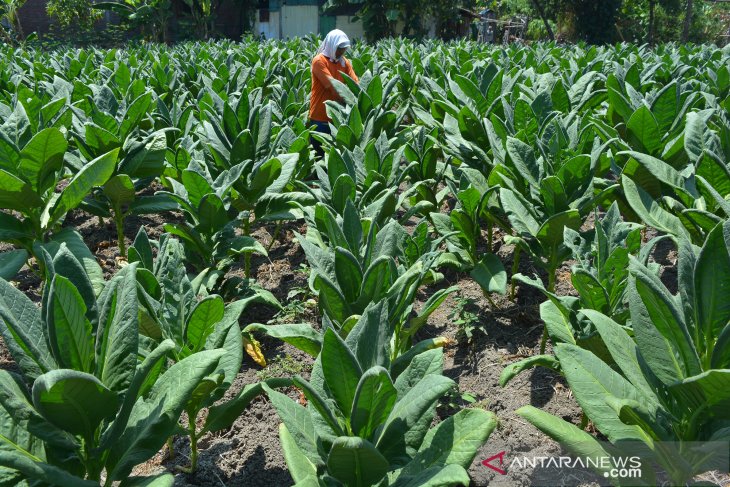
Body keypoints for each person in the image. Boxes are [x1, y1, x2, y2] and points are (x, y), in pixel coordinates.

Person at [309, 29, 359, 159]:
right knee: (319, 158)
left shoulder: (344, 62)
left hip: (338, 117)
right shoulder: (319, 61)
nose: (341, 51)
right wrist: (350, 102)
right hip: (320, 116)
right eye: (339, 48)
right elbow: (332, 87)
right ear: (332, 45)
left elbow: (355, 84)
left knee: (335, 158)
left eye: (344, 48)